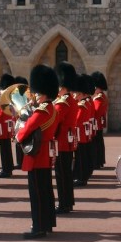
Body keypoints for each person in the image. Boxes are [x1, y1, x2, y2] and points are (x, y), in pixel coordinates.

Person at [16, 64, 60, 239]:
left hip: (37, 154)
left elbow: (25, 131)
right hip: (45, 153)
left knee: (37, 193)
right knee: (46, 190)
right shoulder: (52, 109)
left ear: (41, 92)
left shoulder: (42, 111)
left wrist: (18, 134)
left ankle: (39, 226)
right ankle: (47, 222)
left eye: (36, 92)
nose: (34, 95)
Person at [52, 63, 79, 212]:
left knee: (61, 175)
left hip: (60, 143)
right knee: (66, 174)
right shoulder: (72, 101)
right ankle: (68, 202)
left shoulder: (62, 104)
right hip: (67, 142)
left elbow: (54, 123)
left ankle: (64, 204)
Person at [72, 74, 95, 187]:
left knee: (80, 157)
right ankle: (82, 175)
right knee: (83, 155)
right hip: (83, 133)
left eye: (77, 93)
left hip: (80, 134)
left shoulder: (82, 105)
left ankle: (81, 178)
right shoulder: (86, 103)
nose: (75, 95)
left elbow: (76, 121)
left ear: (82, 94)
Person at [0, 73, 17, 178]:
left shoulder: (3, 96)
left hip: (2, 126)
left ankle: (6, 169)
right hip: (8, 124)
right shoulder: (10, 95)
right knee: (7, 147)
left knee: (4, 149)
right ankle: (9, 166)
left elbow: (1, 112)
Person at [91, 70, 109, 169]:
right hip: (98, 123)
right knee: (99, 142)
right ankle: (99, 161)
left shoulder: (99, 98)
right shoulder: (101, 97)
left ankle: (97, 162)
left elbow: (96, 112)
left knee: (96, 144)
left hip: (96, 124)